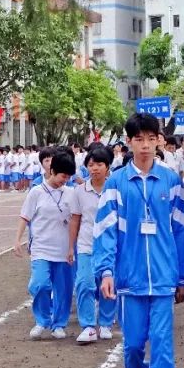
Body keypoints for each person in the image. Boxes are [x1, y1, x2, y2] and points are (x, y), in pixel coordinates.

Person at [94, 113, 184, 368]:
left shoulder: (171, 182)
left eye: (152, 139)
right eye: (139, 139)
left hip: (164, 279)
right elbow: (106, 231)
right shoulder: (116, 183)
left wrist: (183, 276)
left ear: (159, 141)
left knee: (163, 346)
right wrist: (106, 271)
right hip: (130, 279)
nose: (146, 145)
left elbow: (183, 230)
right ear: (129, 142)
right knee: (135, 344)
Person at [15, 149, 77, 340]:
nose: (64, 180)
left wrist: (72, 247)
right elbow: (25, 216)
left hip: (64, 249)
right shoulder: (36, 192)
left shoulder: (71, 193)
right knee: (39, 284)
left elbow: (76, 220)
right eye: (62, 175)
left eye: (68, 177)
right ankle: (42, 320)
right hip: (41, 247)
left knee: (64, 289)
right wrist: (17, 239)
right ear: (52, 171)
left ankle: (59, 323)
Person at [68, 145, 117, 344]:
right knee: (85, 283)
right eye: (91, 164)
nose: (94, 168)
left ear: (107, 167)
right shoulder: (79, 191)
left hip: (109, 247)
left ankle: (105, 322)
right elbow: (75, 220)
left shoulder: (114, 189)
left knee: (107, 284)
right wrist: (71, 247)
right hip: (87, 245)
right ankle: (88, 325)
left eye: (99, 164)